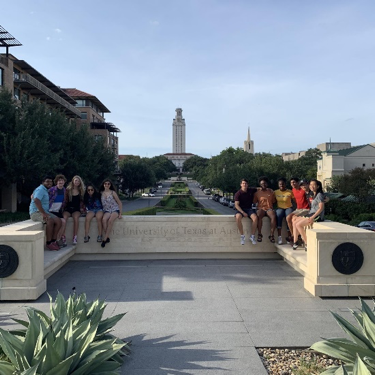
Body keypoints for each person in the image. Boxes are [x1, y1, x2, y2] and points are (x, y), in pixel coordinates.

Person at [29, 175, 62, 251]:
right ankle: (49, 243)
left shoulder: (45, 190)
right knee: (50, 220)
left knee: (58, 221)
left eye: (50, 182)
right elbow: (36, 200)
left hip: (44, 211)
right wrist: (43, 213)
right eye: (47, 181)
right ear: (43, 182)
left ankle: (53, 241)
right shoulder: (40, 189)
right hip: (36, 212)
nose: (49, 183)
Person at [292, 179, 325, 251]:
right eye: (310, 185)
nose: (312, 186)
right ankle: (295, 241)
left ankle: (306, 243)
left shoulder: (319, 195)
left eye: (314, 185)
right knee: (294, 221)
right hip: (311, 213)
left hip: (317, 216)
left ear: (318, 186)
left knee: (298, 225)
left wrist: (313, 217)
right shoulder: (313, 194)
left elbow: (321, 208)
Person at [62, 175, 86, 245]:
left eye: (78, 181)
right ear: (73, 181)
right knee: (64, 218)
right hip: (68, 208)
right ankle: (63, 236)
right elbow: (64, 200)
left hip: (76, 209)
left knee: (76, 218)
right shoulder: (68, 190)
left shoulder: (81, 191)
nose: (77, 182)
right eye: (76, 180)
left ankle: (75, 236)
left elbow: (83, 201)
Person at [234, 178, 258, 245]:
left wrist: (268, 189)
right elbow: (236, 205)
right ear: (241, 185)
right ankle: (242, 236)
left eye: (246, 183)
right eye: (243, 183)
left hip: (249, 209)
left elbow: (259, 188)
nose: (244, 184)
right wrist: (242, 212)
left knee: (255, 218)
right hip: (240, 209)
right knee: (238, 217)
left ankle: (252, 236)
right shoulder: (238, 194)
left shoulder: (251, 190)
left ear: (247, 185)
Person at [100, 178, 122, 248]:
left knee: (110, 221)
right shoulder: (101, 193)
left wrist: (120, 213)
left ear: (110, 185)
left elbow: (119, 203)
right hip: (106, 210)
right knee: (103, 220)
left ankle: (104, 239)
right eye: (105, 184)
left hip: (115, 209)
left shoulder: (113, 193)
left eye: (108, 184)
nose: (107, 185)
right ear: (103, 185)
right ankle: (107, 237)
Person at [286, 177, 310, 242]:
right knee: (289, 218)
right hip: (298, 209)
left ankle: (294, 237)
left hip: (305, 209)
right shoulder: (293, 190)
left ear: (297, 182)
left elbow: (311, 194)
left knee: (291, 217)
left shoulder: (303, 189)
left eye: (294, 182)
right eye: (291, 182)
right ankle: (294, 236)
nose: (292, 184)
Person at [254, 176, 276, 243]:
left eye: (265, 183)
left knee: (273, 216)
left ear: (267, 184)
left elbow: (274, 201)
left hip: (269, 208)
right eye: (262, 184)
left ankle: (271, 235)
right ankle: (259, 234)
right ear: (260, 184)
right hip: (261, 208)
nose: (263, 185)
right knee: (259, 215)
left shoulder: (271, 191)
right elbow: (254, 201)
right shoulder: (257, 192)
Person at [48, 174, 67, 247]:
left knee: (64, 222)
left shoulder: (65, 190)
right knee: (58, 222)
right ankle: (54, 240)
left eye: (62, 180)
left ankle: (58, 239)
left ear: (64, 182)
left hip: (58, 211)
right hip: (50, 210)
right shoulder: (52, 190)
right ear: (56, 182)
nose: (60, 182)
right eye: (59, 180)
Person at [274, 177, 294, 245]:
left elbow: (295, 201)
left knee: (289, 217)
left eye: (283, 184)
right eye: (280, 184)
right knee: (278, 215)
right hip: (280, 208)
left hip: (288, 207)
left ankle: (289, 237)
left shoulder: (290, 192)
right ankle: (279, 237)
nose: (281, 185)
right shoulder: (275, 192)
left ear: (285, 184)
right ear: (278, 185)